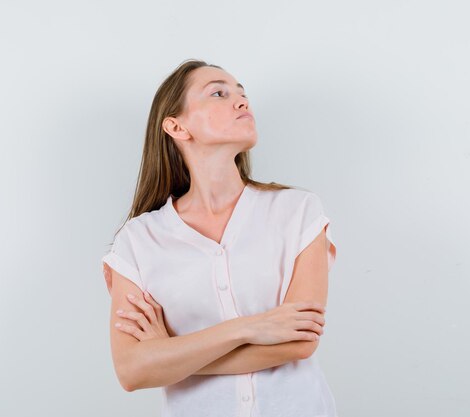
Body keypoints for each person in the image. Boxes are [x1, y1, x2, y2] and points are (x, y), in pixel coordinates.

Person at [102, 59, 338, 417]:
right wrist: (251, 327)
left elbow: (300, 341)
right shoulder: (138, 241)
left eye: (243, 93)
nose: (242, 101)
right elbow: (132, 370)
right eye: (219, 93)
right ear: (176, 126)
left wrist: (170, 355)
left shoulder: (297, 211)